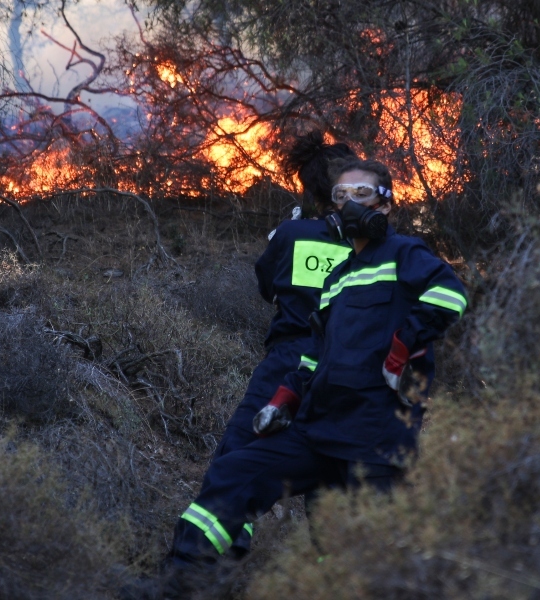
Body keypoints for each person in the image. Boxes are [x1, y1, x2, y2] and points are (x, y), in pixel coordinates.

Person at [165, 158, 467, 592]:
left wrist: (405, 344)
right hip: (316, 428)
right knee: (233, 475)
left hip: (374, 436)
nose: (348, 205)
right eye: (340, 197)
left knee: (365, 557)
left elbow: (450, 294)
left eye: (361, 195)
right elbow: (316, 354)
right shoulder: (337, 278)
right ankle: (179, 584)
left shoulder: (404, 252)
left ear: (385, 205)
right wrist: (285, 396)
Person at [200, 131, 356, 558]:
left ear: (311, 190)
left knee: (238, 456)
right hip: (347, 368)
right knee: (332, 479)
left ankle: (214, 563)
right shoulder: (373, 245)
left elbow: (267, 287)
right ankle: (340, 573)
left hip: (289, 360)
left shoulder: (290, 235)